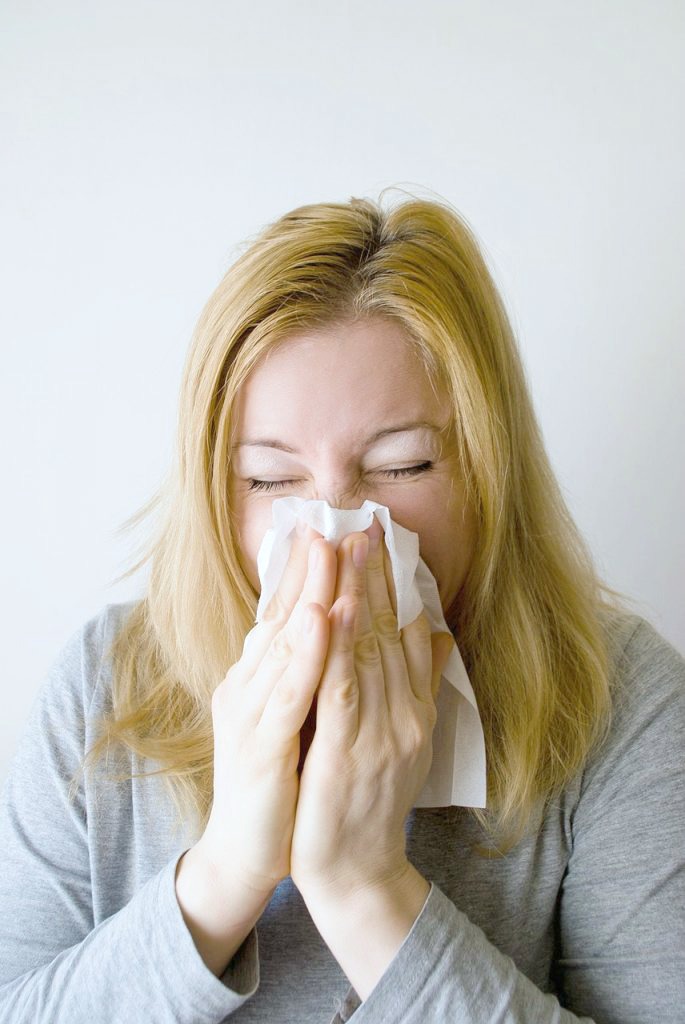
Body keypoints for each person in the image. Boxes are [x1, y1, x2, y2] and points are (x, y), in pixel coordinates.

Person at [0, 194, 683, 1024]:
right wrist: (221, 877)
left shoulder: (616, 700)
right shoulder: (102, 686)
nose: (337, 530)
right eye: (269, 479)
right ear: (216, 492)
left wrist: (366, 891)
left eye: (403, 466)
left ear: (486, 470)